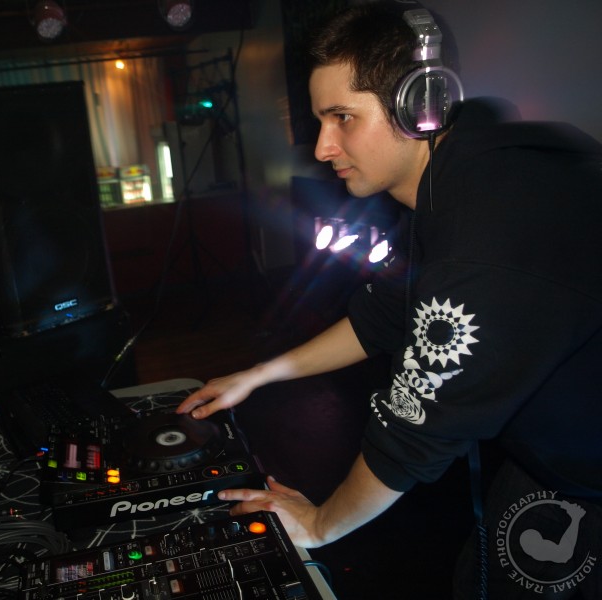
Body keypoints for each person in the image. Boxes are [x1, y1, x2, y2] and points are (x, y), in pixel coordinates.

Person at [175, 1, 602, 598]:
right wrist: (257, 375)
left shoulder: (484, 236)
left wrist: (318, 524)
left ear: (420, 105)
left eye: (342, 118)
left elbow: (413, 434)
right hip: (555, 463)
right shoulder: (462, 181)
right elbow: (383, 316)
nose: (323, 147)